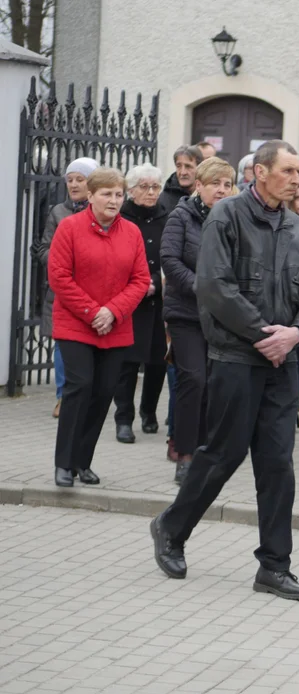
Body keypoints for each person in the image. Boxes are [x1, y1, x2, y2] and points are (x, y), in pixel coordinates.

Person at [150, 140, 299, 601]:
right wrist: (263, 334)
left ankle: (274, 565)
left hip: (282, 363)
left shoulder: (298, 229)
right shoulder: (226, 216)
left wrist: (295, 334)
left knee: (277, 464)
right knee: (222, 454)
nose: (296, 178)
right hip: (235, 358)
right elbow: (214, 286)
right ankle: (171, 527)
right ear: (260, 173)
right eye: (288, 170)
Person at [48, 167, 151, 488]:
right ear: (90, 196)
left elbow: (140, 279)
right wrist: (93, 312)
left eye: (119, 194)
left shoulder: (131, 232)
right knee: (79, 387)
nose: (114, 200)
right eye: (106, 194)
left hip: (115, 326)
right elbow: (59, 276)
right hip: (76, 323)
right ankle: (64, 464)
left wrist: (113, 311)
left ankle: (83, 462)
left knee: (104, 392)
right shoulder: (69, 228)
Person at [160, 156, 236, 485]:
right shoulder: (181, 215)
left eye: (227, 184)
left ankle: (205, 451)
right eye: (215, 184)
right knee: (194, 379)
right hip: (186, 313)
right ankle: (185, 453)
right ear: (200, 186)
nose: (221, 190)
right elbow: (169, 259)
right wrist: (201, 288)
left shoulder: (234, 219)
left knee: (215, 384)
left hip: (220, 316)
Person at [32, 156, 98, 419]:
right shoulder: (58, 211)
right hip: (63, 289)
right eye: (70, 180)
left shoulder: (100, 211)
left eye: (79, 179)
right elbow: (43, 249)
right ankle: (62, 397)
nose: (73, 184)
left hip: (95, 291)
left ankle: (89, 395)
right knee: (63, 343)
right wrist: (63, 262)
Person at [114, 163, 170, 445]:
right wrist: (136, 286)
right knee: (126, 363)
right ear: (131, 190)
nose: (151, 192)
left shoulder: (168, 218)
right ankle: (124, 418)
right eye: (144, 187)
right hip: (128, 302)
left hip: (159, 301)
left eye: (155, 187)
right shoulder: (121, 219)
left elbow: (172, 258)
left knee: (158, 361)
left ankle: (149, 411)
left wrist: (157, 284)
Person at [158, 145, 203, 213]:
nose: (183, 172)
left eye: (188, 166)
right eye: (178, 166)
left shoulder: (207, 196)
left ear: (199, 168)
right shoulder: (164, 199)